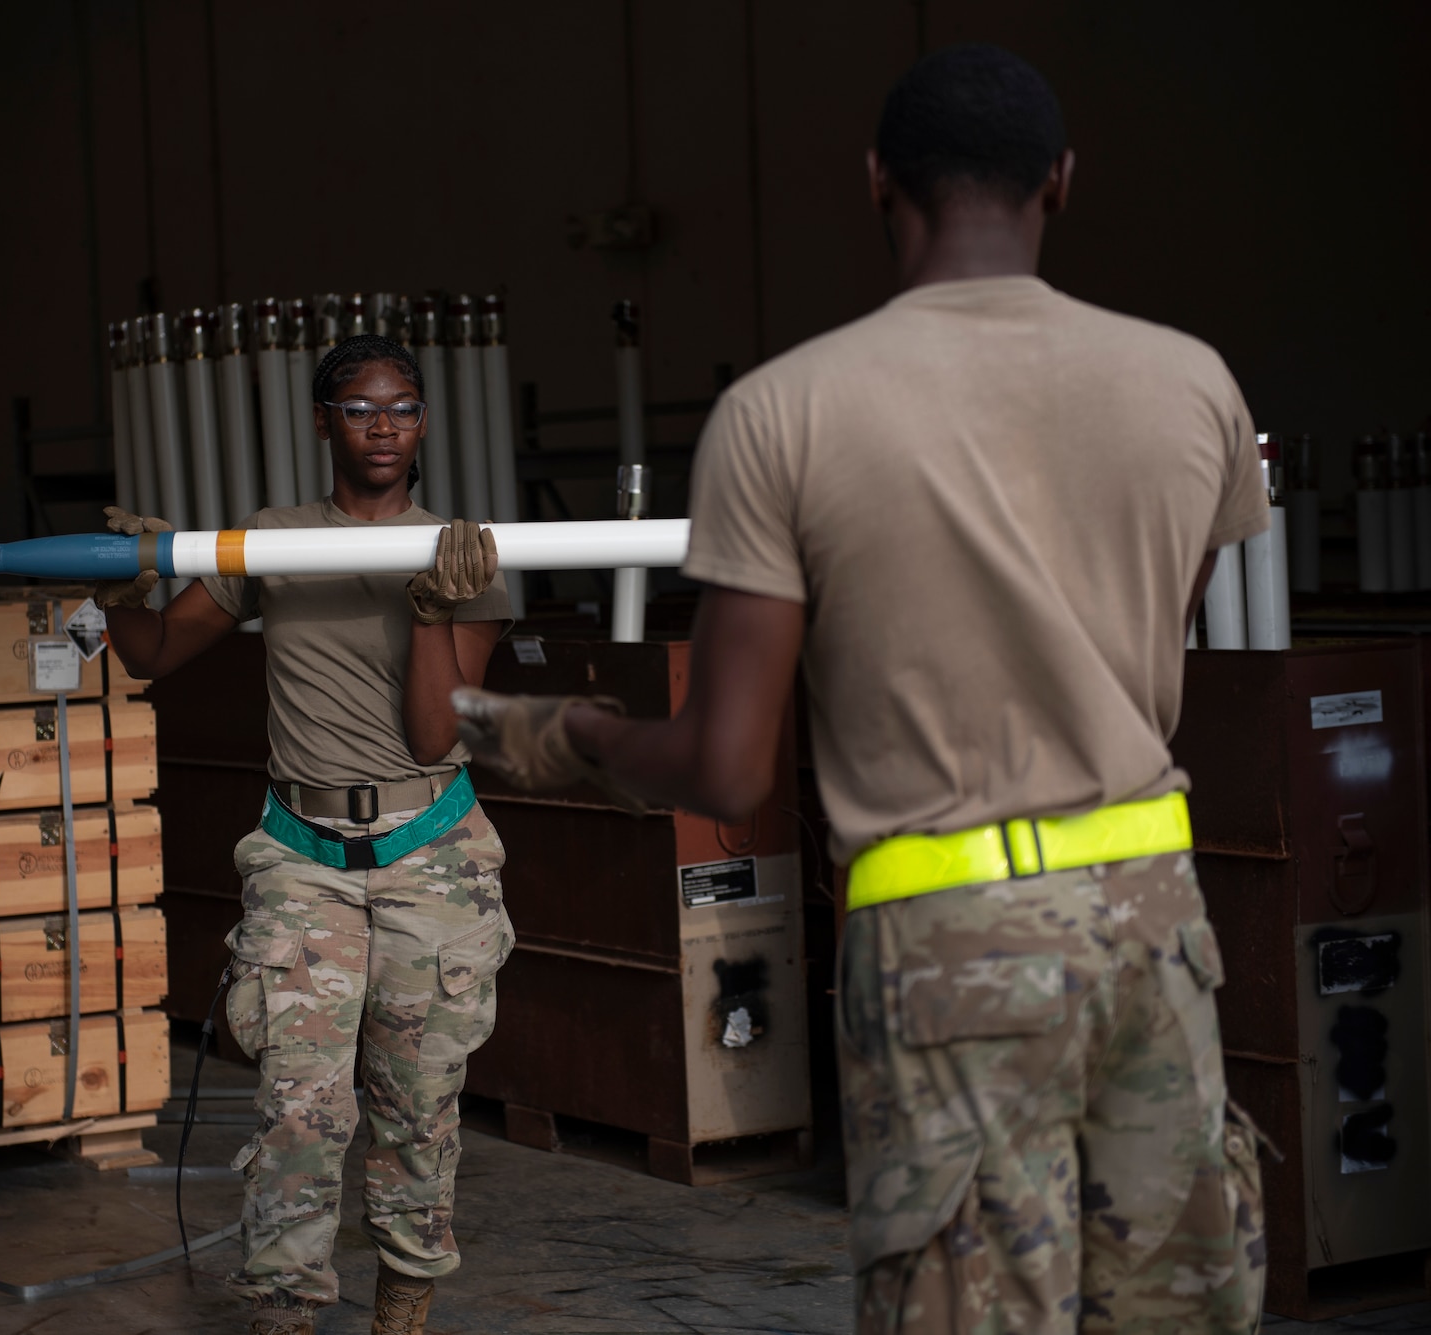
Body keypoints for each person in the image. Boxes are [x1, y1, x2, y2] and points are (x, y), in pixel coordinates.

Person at [454, 44, 1269, 1334]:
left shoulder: (787, 413)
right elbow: (1150, 640)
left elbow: (728, 768)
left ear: (876, 182)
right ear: (1059, 182)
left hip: (951, 949)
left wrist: (576, 735)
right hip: (1153, 931)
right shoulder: (1191, 382)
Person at [101, 333, 515, 1335]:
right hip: (304, 856)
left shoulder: (461, 552)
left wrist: (434, 606)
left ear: (423, 421)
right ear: (323, 420)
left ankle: (402, 1308)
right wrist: (123, 580)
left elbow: (431, 734)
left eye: (404, 406)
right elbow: (153, 653)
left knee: (416, 1104)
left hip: (431, 852)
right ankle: (283, 1313)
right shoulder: (273, 540)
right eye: (362, 407)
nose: (385, 426)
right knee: (297, 1107)